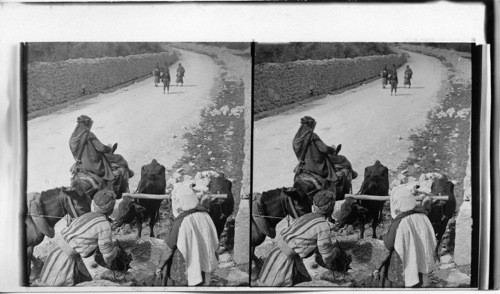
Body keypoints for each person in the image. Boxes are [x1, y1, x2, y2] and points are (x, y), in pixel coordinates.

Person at [256, 191, 342, 286]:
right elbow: (327, 257)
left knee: (303, 281)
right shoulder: (323, 226)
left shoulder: (306, 216)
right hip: (285, 261)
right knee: (276, 286)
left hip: (276, 251)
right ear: (331, 209)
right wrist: (335, 251)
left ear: (314, 206)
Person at [35, 190, 119, 286]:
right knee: (60, 286)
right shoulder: (104, 225)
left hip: (56, 251)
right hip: (66, 260)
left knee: (84, 281)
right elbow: (107, 255)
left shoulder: (85, 216)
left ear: (94, 206)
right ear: (111, 210)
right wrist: (115, 252)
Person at [371, 186, 437, 288]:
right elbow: (431, 241)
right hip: (421, 268)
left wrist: (377, 268)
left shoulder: (399, 223)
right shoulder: (424, 217)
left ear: (396, 203)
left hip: (402, 271)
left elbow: (386, 250)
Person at [155, 184, 219, 286]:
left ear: (178, 202)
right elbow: (214, 241)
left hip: (185, 270)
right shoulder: (205, 215)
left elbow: (168, 250)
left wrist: (160, 267)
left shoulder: (181, 222)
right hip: (202, 265)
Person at [69, 115, 133, 190]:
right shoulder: (88, 135)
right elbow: (101, 148)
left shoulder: (72, 138)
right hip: (93, 164)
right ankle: (129, 173)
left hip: (81, 164)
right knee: (119, 157)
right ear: (87, 124)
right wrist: (109, 148)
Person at [293, 116, 339, 193]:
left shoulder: (297, 139)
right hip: (316, 165)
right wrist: (332, 149)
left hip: (304, 165)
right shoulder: (312, 136)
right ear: (310, 125)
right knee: (332, 166)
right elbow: (324, 149)